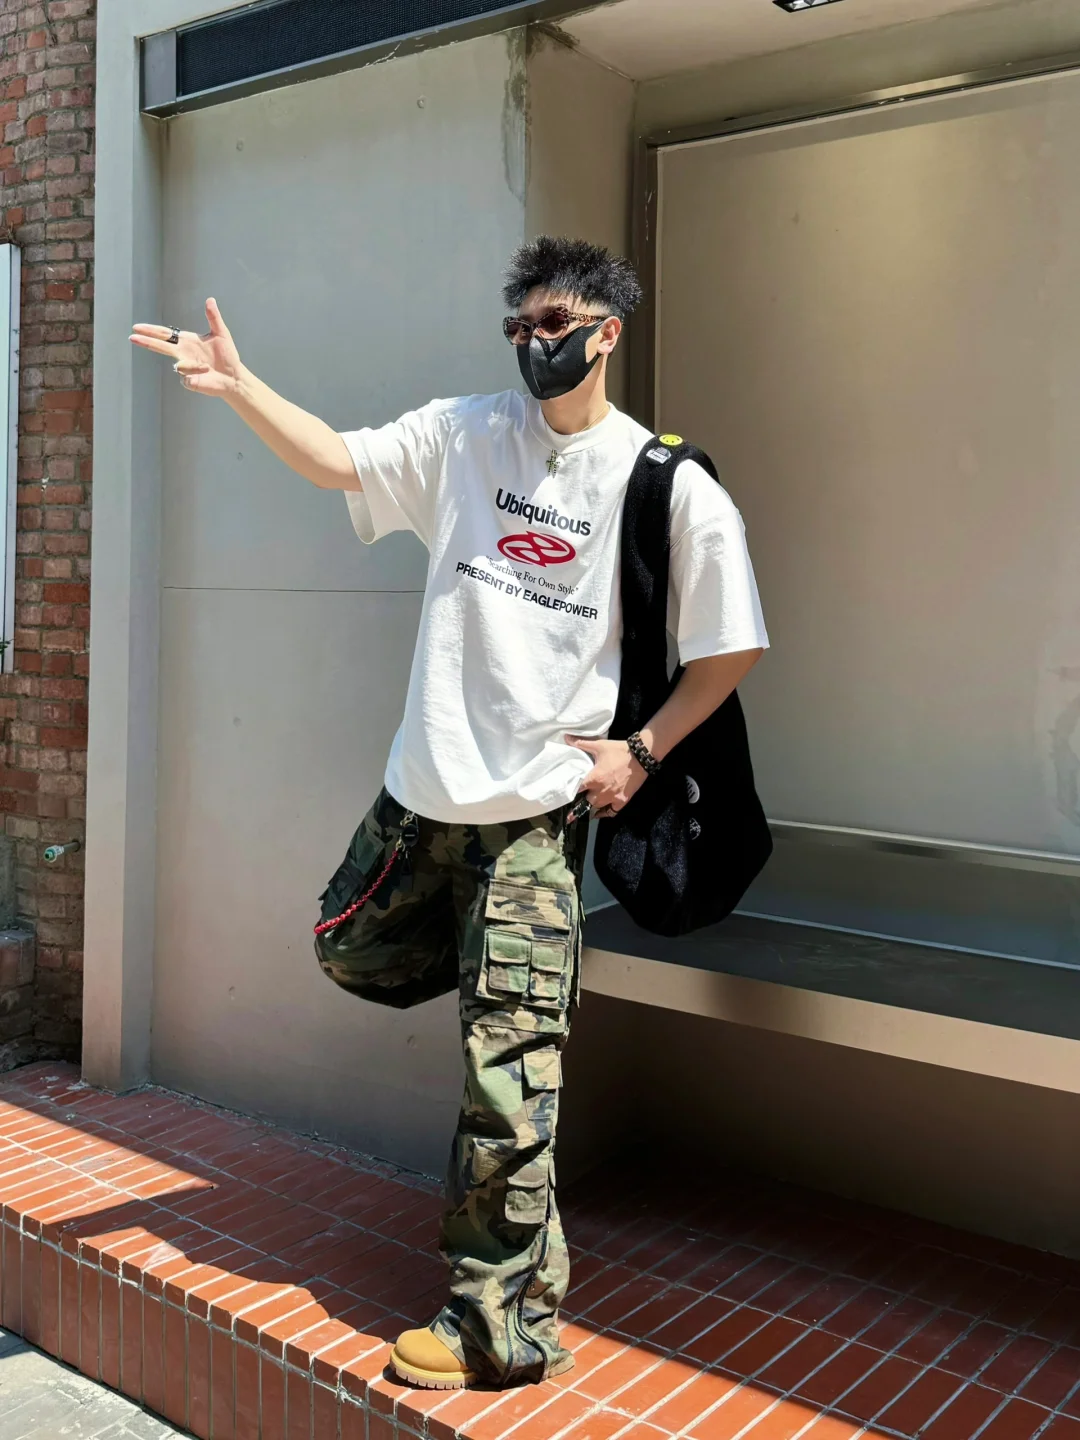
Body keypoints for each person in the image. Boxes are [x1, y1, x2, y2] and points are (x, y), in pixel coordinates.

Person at [129, 236, 769, 1392]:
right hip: (420, 800)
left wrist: (639, 752)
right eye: (520, 326)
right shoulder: (467, 434)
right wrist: (240, 387)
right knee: (350, 948)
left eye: (555, 323)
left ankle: (496, 1322)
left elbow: (732, 645)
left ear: (607, 332)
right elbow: (338, 461)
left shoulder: (661, 480)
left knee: (507, 1076)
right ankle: (507, 1056)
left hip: (534, 820)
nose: (535, 343)